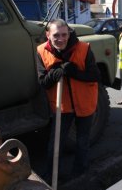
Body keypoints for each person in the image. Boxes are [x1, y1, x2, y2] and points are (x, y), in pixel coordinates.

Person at [36, 19, 100, 182]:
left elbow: (95, 75)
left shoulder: (83, 49)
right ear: (48, 35)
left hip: (84, 103)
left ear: (69, 33)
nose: (61, 39)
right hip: (61, 106)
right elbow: (43, 82)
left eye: (64, 34)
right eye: (56, 35)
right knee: (56, 142)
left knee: (82, 140)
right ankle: (51, 174)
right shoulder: (41, 51)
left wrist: (74, 72)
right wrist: (56, 73)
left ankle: (80, 172)